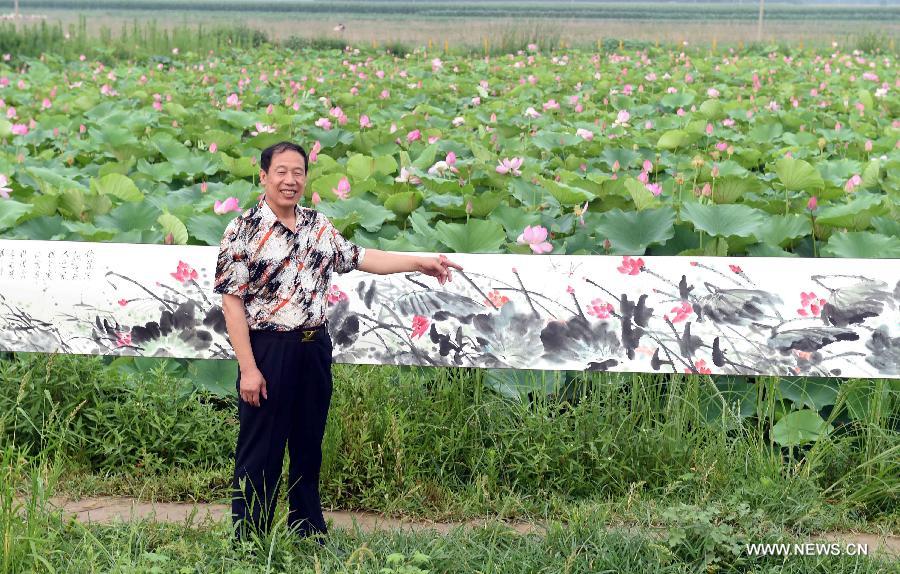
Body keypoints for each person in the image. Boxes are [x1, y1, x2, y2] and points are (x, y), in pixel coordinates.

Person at [213, 141, 462, 543]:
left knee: (309, 443)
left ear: (306, 178)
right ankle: (250, 539)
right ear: (263, 176)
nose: (290, 180)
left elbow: (366, 257)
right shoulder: (242, 231)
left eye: (298, 172)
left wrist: (422, 262)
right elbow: (232, 302)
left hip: (313, 347)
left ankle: (307, 529)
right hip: (268, 348)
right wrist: (249, 367)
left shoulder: (318, 226)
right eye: (281, 172)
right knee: (261, 450)